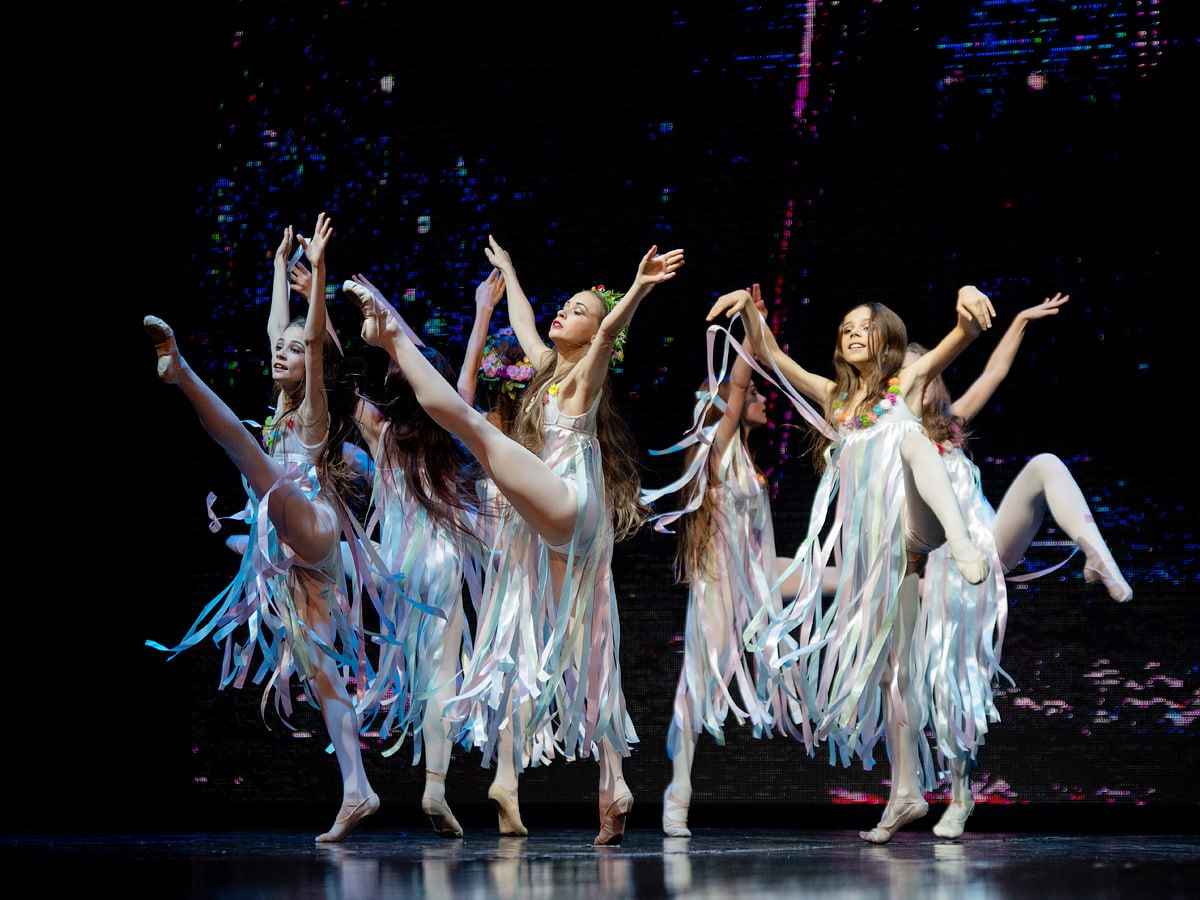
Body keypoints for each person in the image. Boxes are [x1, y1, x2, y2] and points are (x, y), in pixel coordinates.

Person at [347, 234, 684, 844]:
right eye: (567, 306)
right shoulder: (549, 370)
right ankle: (613, 784)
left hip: (569, 500)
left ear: (595, 332)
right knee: (587, 646)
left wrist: (637, 288)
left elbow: (609, 335)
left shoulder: (584, 377)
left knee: (473, 428)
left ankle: (392, 339)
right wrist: (510, 273)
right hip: (566, 525)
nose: (565, 314)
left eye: (579, 311)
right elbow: (526, 322)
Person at [706, 284, 994, 845]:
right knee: (895, 674)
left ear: (887, 338)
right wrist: (747, 311)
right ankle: (905, 792)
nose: (854, 333)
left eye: (865, 326)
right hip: (881, 561)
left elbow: (962, 337)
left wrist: (965, 304)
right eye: (846, 328)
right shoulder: (834, 398)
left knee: (910, 437)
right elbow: (775, 358)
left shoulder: (906, 381)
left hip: (922, 529)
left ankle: (963, 541)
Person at [144, 214, 382, 843]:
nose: (282, 351)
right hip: (295, 555)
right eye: (281, 348)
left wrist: (319, 273)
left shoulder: (315, 409)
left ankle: (181, 372)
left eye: (295, 350)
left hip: (315, 525)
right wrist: (278, 266)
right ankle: (357, 789)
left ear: (314, 364)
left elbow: (311, 338)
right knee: (320, 666)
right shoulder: (282, 402)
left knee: (247, 454)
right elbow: (280, 327)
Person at [905, 291, 1132, 840]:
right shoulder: (897, 444)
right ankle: (960, 796)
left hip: (989, 542)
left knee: (1046, 465)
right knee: (955, 687)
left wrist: (1021, 321)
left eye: (927, 369)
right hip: (947, 566)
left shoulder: (952, 425)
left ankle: (1097, 556)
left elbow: (995, 372)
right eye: (911, 373)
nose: (921, 379)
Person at [641, 286, 806, 837]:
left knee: (844, 580)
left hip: (756, 576)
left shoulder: (744, 464)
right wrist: (752, 329)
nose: (760, 399)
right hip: (720, 582)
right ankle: (678, 790)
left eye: (756, 393)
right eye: (754, 394)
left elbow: (761, 548)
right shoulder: (718, 453)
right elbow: (735, 384)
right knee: (701, 678)